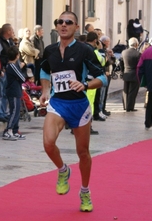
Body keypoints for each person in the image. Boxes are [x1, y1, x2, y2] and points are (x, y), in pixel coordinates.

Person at [40, 11, 107, 212]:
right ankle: (63, 170)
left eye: (68, 22)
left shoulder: (84, 50)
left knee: (83, 152)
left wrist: (85, 85)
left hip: (79, 106)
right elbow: (44, 71)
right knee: (48, 143)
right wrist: (45, 90)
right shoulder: (50, 50)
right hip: (58, 103)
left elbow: (102, 78)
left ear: (76, 27)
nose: (63, 25)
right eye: (60, 22)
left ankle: (85, 191)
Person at [2, 46, 26, 140]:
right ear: (17, 56)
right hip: (14, 90)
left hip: (16, 90)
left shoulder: (12, 66)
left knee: (16, 111)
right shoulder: (12, 66)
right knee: (14, 111)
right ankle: (9, 130)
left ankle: (15, 130)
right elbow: (22, 78)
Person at [0, 23, 15, 122]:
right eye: (11, 30)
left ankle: (5, 112)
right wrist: (1, 67)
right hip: (3, 70)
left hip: (9, 70)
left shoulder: (10, 41)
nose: (13, 32)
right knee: (0, 93)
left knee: (6, 93)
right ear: (8, 31)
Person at [120, 37, 141, 112]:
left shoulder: (124, 52)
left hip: (126, 73)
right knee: (133, 91)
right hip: (135, 74)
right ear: (136, 44)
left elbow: (121, 63)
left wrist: (122, 72)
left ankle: (125, 106)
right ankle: (130, 107)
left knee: (125, 90)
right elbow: (140, 66)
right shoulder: (138, 54)